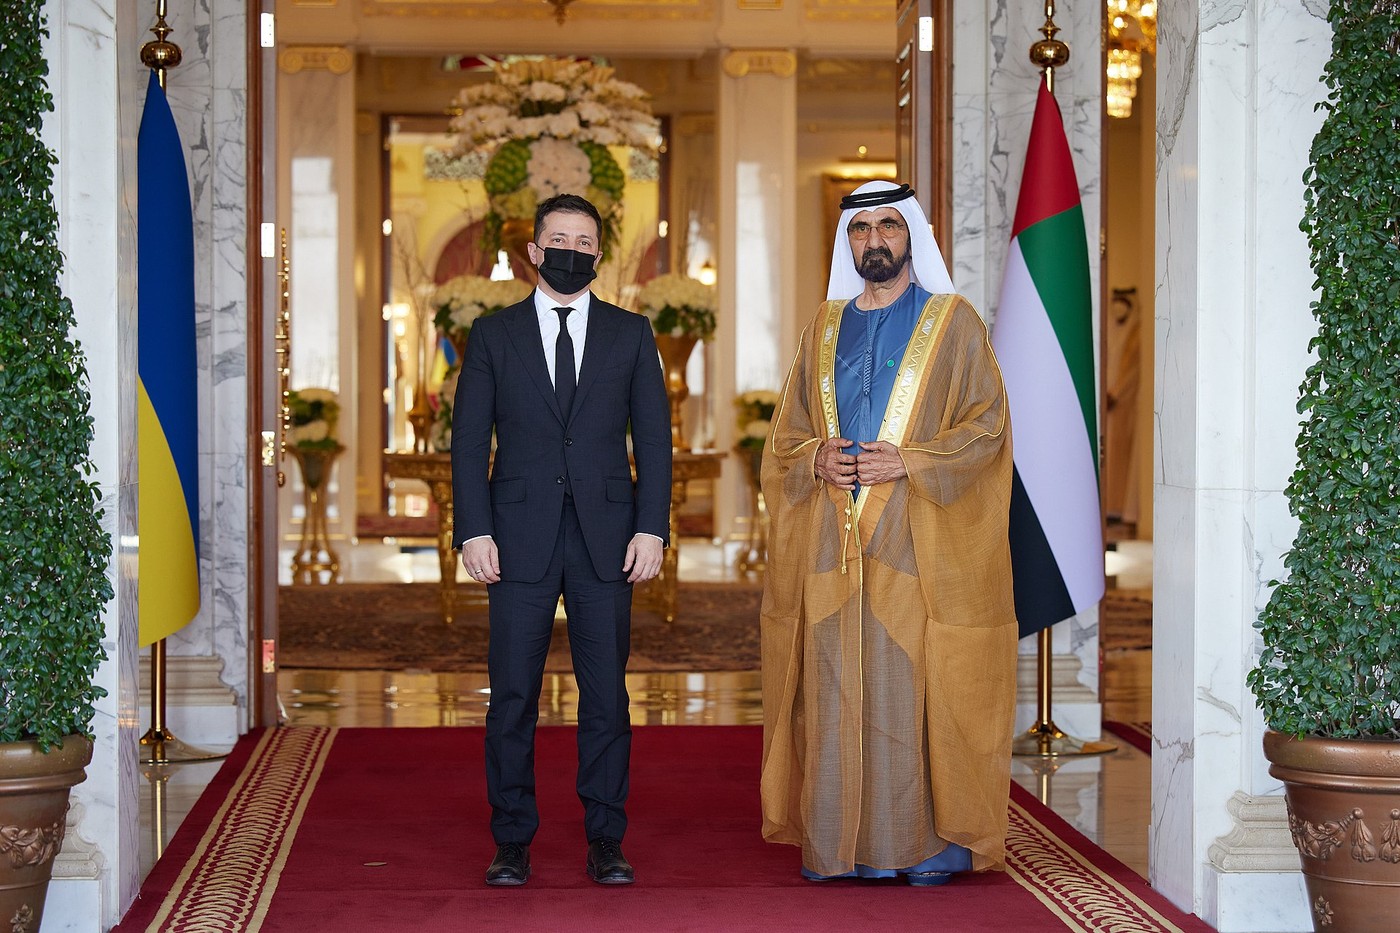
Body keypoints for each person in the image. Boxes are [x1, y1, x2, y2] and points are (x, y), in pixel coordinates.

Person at [758, 180, 1017, 885]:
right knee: (837, 686)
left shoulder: (953, 322)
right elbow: (785, 434)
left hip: (917, 540)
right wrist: (815, 457)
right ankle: (845, 843)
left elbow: (988, 428)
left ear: (911, 237)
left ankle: (927, 846)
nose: (874, 240)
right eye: (860, 230)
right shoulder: (824, 325)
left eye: (888, 227)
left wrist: (911, 459)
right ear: (848, 242)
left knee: (912, 688)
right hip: (831, 541)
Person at [451, 193, 672, 887]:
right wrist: (474, 529)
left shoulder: (632, 334)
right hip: (514, 537)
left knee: (606, 695)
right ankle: (512, 839)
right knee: (512, 693)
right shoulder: (493, 334)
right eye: (560, 239)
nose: (572, 249)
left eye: (586, 240)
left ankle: (606, 837)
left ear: (598, 255)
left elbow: (656, 442)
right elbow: (467, 442)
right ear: (535, 252)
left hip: (610, 537)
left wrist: (653, 525)